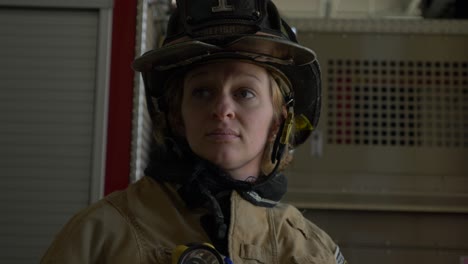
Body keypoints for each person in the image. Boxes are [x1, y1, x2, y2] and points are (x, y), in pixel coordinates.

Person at [41, 0, 347, 263]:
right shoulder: (98, 237)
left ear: (278, 121)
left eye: (245, 93)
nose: (222, 108)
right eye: (202, 92)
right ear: (176, 116)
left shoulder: (310, 251)